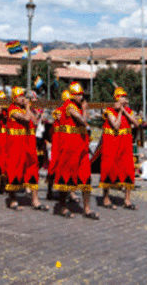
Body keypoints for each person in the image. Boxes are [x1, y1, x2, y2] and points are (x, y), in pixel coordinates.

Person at [49, 83, 97, 219]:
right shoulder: (69, 106)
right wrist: (85, 110)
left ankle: (87, 209)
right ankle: (63, 207)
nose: (81, 97)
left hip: (81, 147)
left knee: (86, 177)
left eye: (82, 94)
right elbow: (82, 120)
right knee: (66, 177)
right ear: (72, 95)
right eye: (78, 94)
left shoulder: (77, 106)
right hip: (70, 147)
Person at [3, 87, 46, 211]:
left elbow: (34, 122)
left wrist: (35, 112)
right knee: (14, 170)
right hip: (15, 145)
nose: (22, 99)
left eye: (23, 96)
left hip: (28, 143)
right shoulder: (12, 110)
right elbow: (26, 119)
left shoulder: (25, 109)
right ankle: (12, 199)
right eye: (20, 97)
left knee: (33, 169)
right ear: (14, 99)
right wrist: (28, 108)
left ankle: (35, 200)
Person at [97, 87, 140, 210]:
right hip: (111, 145)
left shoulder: (128, 111)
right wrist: (120, 112)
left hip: (125, 146)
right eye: (122, 97)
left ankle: (127, 200)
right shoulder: (109, 111)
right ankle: (106, 198)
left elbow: (136, 123)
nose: (125, 100)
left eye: (125, 97)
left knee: (128, 170)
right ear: (117, 98)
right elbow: (116, 125)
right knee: (108, 169)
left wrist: (124, 111)